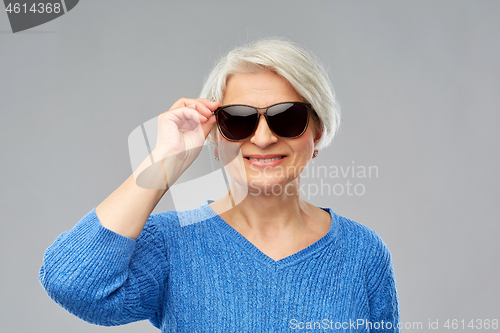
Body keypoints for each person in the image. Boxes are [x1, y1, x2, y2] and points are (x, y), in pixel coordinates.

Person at [39, 38, 400, 332]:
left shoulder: (363, 254)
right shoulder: (171, 244)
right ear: (215, 137)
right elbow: (71, 282)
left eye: (287, 118)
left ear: (317, 132)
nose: (262, 138)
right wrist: (163, 163)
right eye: (239, 121)